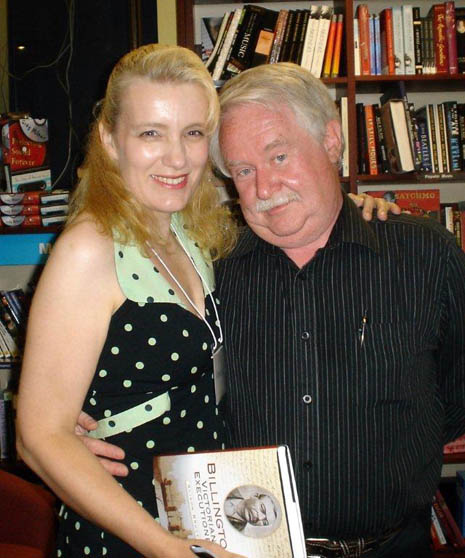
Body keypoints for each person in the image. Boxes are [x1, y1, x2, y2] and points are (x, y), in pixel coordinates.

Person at [209, 63, 465, 557]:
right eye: (243, 170)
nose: (264, 188)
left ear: (331, 141)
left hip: (394, 547)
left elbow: (455, 396)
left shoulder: (426, 255)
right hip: (254, 549)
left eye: (279, 156)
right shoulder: (212, 270)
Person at [15, 43, 244, 558]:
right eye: (150, 134)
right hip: (127, 531)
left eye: (193, 133)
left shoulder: (188, 231)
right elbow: (38, 437)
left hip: (195, 515)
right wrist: (166, 549)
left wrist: (353, 206)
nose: (177, 158)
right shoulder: (88, 250)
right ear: (110, 140)